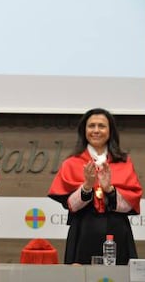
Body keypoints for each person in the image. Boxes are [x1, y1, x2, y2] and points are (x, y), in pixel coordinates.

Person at [48, 107, 142, 265]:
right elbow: (71, 205)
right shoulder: (72, 162)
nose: (96, 130)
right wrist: (86, 187)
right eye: (91, 126)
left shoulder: (124, 161)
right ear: (84, 131)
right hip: (83, 230)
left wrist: (110, 190)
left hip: (117, 229)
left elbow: (130, 203)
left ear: (110, 131)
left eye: (102, 126)